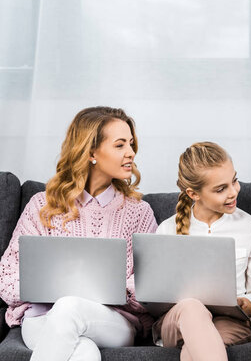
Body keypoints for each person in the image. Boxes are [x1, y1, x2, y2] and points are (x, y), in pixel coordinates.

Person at [0, 106, 158, 361]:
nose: (131, 153)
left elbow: (152, 285)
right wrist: (44, 287)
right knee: (84, 352)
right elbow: (7, 276)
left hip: (113, 321)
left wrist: (118, 290)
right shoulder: (42, 205)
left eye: (131, 143)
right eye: (120, 145)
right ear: (91, 152)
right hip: (42, 318)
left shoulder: (138, 212)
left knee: (69, 305)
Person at [154, 142, 251, 361]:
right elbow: (156, 296)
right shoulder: (167, 229)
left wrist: (249, 304)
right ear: (193, 193)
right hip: (178, 321)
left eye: (234, 181)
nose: (233, 192)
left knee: (199, 344)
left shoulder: (250, 226)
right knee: (192, 308)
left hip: (232, 322)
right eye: (220, 189)